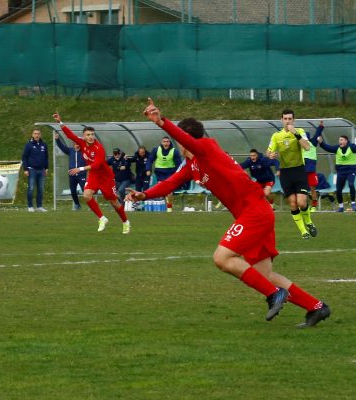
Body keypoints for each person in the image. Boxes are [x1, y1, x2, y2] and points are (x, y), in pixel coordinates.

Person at [126, 98, 331, 326]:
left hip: (254, 211)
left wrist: (161, 122)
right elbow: (169, 184)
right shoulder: (192, 165)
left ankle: (274, 294)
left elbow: (185, 138)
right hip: (254, 213)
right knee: (264, 276)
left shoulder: (206, 148)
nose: (177, 144)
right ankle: (316, 307)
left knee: (222, 258)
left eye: (178, 140)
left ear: (186, 140)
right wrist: (144, 195)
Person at [52, 113, 130, 234]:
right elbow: (70, 135)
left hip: (105, 176)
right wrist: (60, 123)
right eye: (88, 135)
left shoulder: (99, 148)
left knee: (113, 201)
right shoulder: (82, 143)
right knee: (87, 195)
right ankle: (102, 218)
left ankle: (125, 222)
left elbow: (97, 165)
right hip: (94, 175)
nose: (91, 137)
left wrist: (80, 169)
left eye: (92, 134)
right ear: (84, 136)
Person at [267, 109, 317, 239]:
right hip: (285, 173)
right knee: (293, 203)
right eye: (285, 119)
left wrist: (296, 134)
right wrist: (271, 154)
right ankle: (303, 231)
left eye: (290, 119)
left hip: (299, 170)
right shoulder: (276, 136)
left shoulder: (300, 131)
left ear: (293, 120)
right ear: (281, 120)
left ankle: (309, 222)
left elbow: (307, 147)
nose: (288, 121)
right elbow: (269, 152)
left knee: (301, 202)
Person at [317, 134, 356, 212]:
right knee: (338, 188)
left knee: (351, 184)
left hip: (351, 169)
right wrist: (321, 142)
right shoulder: (337, 148)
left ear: (346, 141)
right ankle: (341, 207)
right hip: (341, 170)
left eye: (341, 140)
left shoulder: (352, 147)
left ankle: (353, 204)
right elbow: (328, 148)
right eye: (339, 140)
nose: (339, 141)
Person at [146, 136, 182, 212]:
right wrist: (148, 169)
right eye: (164, 141)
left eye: (167, 141)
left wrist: (178, 173)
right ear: (162, 143)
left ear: (169, 142)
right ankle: (161, 204)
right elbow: (150, 160)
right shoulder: (156, 150)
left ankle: (169, 207)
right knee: (161, 189)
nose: (166, 143)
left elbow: (179, 164)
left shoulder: (174, 151)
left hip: (170, 173)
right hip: (160, 173)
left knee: (169, 191)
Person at [54, 131, 86, 210]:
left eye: (78, 142)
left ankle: (91, 204)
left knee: (84, 190)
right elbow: (62, 147)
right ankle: (77, 205)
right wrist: (57, 139)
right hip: (72, 174)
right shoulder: (70, 150)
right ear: (73, 143)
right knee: (73, 190)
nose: (77, 144)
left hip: (81, 174)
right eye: (76, 142)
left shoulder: (84, 151)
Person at [22, 128, 49, 212]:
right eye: (35, 133)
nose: (37, 135)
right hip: (32, 170)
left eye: (38, 133)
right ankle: (30, 206)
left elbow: (46, 157)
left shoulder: (44, 145)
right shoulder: (28, 145)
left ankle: (39, 206)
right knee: (31, 188)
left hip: (41, 170)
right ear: (32, 135)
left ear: (40, 135)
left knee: (41, 188)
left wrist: (46, 168)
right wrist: (25, 169)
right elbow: (24, 157)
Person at [303, 121, 325, 212]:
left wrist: (320, 126)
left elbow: (317, 133)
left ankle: (314, 206)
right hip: (302, 170)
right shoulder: (300, 145)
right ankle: (304, 205)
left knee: (312, 188)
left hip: (311, 170)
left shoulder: (313, 142)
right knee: (302, 189)